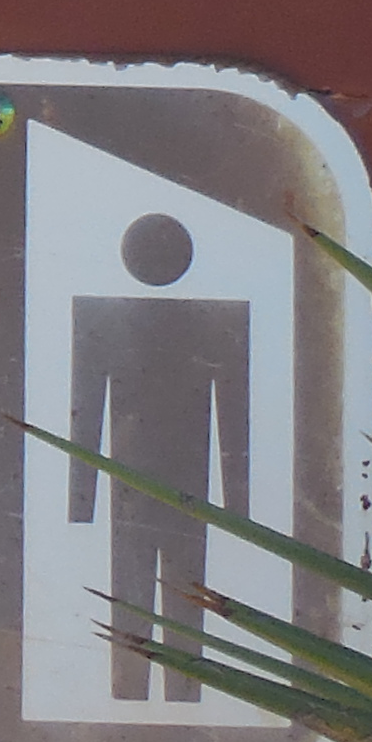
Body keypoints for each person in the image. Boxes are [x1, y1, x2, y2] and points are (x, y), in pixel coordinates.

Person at [64, 211, 252, 698]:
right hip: (150, 488)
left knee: (169, 595)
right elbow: (86, 411)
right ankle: (142, 694)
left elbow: (233, 416)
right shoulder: (210, 322)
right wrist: (81, 501)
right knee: (142, 594)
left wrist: (238, 505)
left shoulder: (210, 323)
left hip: (168, 486)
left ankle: (172, 696)